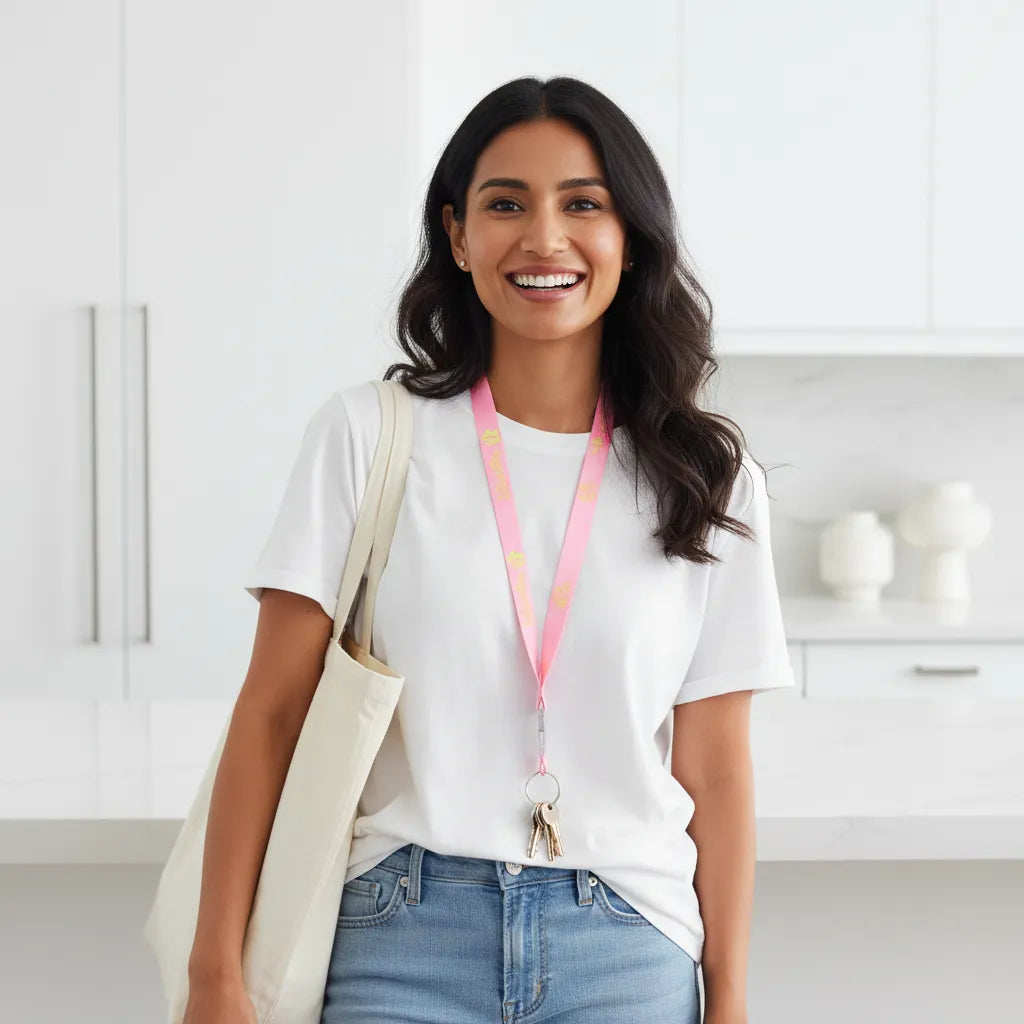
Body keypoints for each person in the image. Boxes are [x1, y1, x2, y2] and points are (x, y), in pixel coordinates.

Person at [183, 76, 794, 1024]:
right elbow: (271, 715)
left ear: (629, 238)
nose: (543, 238)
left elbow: (715, 768)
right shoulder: (366, 438)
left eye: (582, 204)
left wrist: (732, 1003)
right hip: (401, 931)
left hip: (627, 943)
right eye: (505, 203)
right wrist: (214, 977)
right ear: (459, 235)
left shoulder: (708, 475)